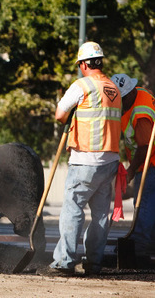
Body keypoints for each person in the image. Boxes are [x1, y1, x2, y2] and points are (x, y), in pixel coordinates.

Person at [50, 41, 122, 275]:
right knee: (101, 214)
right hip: (109, 160)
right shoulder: (113, 88)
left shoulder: (82, 85)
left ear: (83, 64)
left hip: (85, 161)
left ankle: (65, 261)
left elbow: (60, 115)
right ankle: (94, 262)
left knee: (73, 210)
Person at [111, 73, 155, 256]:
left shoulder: (141, 112)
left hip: (151, 164)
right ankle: (148, 240)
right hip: (145, 163)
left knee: (144, 202)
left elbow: (145, 148)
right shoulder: (137, 95)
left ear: (127, 95)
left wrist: (130, 171)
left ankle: (141, 244)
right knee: (148, 202)